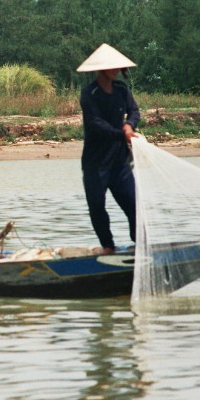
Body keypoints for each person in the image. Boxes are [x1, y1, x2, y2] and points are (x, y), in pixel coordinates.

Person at [76, 43, 141, 254]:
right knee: (97, 207)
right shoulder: (90, 93)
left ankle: (139, 244)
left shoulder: (122, 90)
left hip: (120, 161)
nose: (115, 70)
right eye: (111, 66)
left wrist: (130, 125)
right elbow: (96, 124)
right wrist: (121, 134)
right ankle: (107, 246)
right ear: (101, 69)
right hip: (96, 163)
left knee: (133, 205)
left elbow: (134, 112)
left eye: (117, 67)